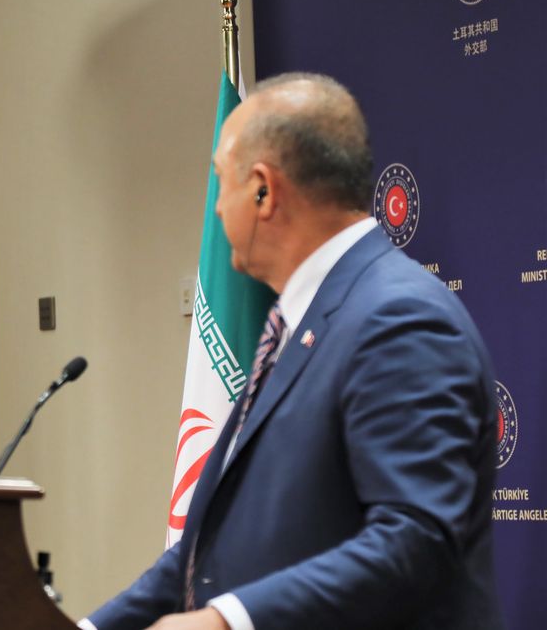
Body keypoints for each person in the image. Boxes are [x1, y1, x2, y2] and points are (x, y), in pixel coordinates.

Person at [82, 73, 503, 630]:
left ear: (262, 190)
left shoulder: (398, 319)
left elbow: (417, 540)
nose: (214, 211)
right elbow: (205, 556)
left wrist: (229, 621)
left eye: (218, 184)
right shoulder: (294, 322)